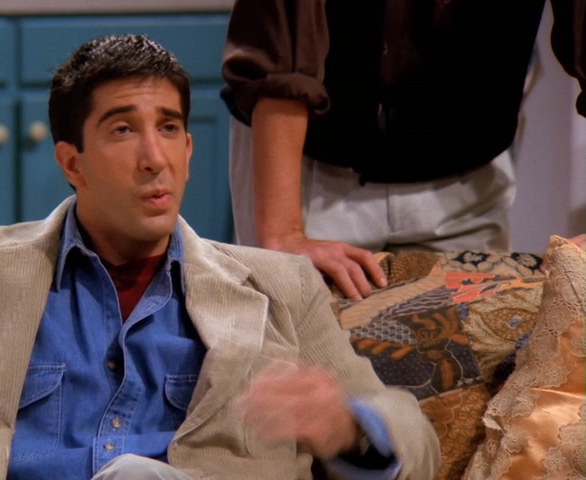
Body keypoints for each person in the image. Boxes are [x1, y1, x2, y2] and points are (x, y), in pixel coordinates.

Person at [0, 34, 439, 479]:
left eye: (170, 128)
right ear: (72, 161)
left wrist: (349, 427)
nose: (154, 157)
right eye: (123, 130)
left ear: (191, 149)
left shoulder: (279, 287)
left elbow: (410, 433)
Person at [221, 0, 586, 301]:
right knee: (299, 354)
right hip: (308, 170)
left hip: (466, 185)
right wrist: (285, 235)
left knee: (469, 355)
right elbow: (282, 42)